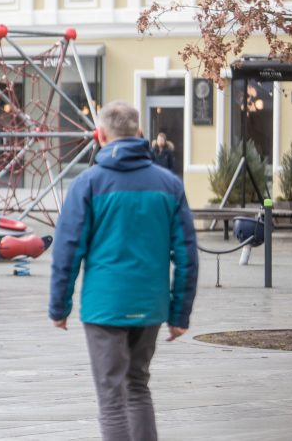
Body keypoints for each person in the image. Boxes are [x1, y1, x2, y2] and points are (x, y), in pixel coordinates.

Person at [49, 101, 198, 441]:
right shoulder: (169, 185)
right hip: (151, 306)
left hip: (105, 307)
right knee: (137, 386)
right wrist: (180, 314)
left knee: (111, 398)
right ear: (140, 134)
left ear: (100, 135)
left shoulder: (88, 184)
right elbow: (188, 254)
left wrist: (60, 307)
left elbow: (67, 250)